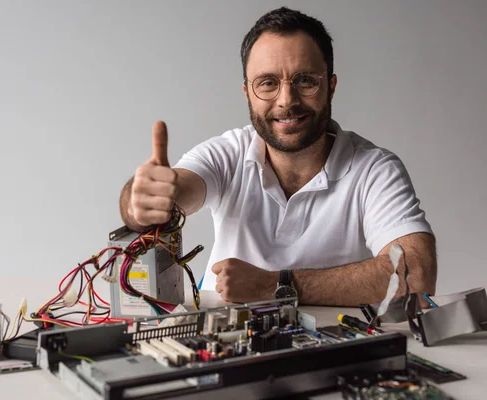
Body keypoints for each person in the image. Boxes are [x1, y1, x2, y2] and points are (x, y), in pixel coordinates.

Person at [118, 7, 437, 307]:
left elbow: (417, 274)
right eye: (268, 83)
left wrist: (276, 286)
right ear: (247, 93)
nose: (287, 100)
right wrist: (142, 201)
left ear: (331, 87)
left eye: (305, 80)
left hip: (328, 356)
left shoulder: (375, 169)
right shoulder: (227, 154)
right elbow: (177, 192)